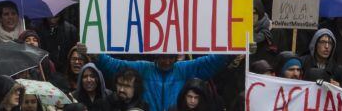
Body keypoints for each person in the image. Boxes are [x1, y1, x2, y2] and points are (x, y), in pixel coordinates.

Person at [84, 43, 232, 111]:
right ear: (155, 54)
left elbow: (210, 62)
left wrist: (236, 47)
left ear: (176, 57)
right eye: (163, 57)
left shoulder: (184, 69)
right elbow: (116, 66)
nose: (167, 61)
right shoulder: (144, 68)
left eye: (170, 57)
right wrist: (97, 55)